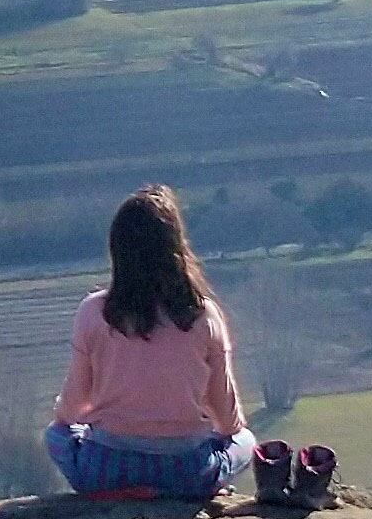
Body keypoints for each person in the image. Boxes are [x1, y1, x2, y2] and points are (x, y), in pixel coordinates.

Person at [46, 183, 254, 501]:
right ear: (176, 249)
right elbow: (228, 421)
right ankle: (187, 488)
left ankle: (129, 491)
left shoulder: (93, 312)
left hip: (106, 470)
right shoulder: (204, 315)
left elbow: (68, 412)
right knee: (246, 441)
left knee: (55, 436)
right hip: (187, 472)